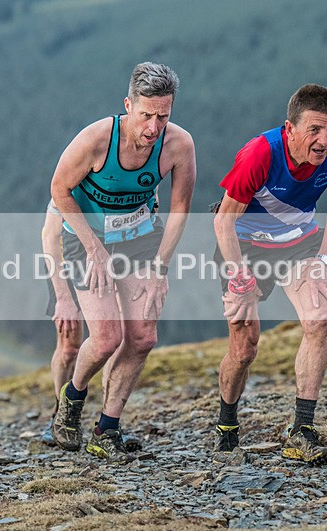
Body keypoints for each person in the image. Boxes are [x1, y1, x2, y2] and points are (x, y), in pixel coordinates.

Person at [50, 62, 196, 462]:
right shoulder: (97, 139)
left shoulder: (179, 144)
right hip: (87, 239)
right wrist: (94, 249)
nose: (153, 127)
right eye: (146, 115)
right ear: (128, 105)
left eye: (163, 116)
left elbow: (180, 209)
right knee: (106, 338)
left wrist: (160, 269)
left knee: (143, 338)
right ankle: (71, 399)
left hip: (139, 240)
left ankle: (107, 429)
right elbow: (59, 189)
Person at [212, 84, 327, 466]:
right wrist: (239, 276)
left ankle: (301, 432)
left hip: (299, 243)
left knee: (318, 320)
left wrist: (323, 258)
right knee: (245, 348)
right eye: (314, 130)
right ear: (290, 128)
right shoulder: (260, 154)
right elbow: (224, 221)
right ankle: (227, 428)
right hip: (245, 245)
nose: (324, 140)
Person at [39, 199, 142, 451]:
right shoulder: (72, 184)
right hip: (68, 262)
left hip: (113, 258)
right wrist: (63, 299)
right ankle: (60, 415)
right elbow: (50, 238)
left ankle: (108, 424)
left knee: (114, 340)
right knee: (69, 346)